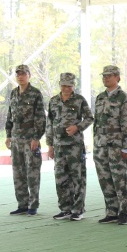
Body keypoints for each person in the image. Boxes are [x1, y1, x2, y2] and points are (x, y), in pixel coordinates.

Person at [93, 65, 127, 225]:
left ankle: (124, 211)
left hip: (117, 146)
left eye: (109, 76)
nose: (106, 78)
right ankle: (111, 211)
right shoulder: (100, 97)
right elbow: (97, 123)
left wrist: (126, 147)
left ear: (117, 77)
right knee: (105, 179)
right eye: (104, 76)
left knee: (119, 180)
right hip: (101, 145)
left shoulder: (124, 98)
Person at [47, 72, 92, 221]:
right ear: (60, 85)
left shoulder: (79, 100)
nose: (66, 89)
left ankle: (78, 210)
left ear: (74, 86)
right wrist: (50, 145)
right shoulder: (53, 101)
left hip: (75, 146)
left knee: (77, 178)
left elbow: (90, 118)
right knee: (60, 178)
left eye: (69, 86)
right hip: (58, 146)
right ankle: (65, 208)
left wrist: (77, 127)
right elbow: (49, 123)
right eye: (64, 86)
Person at [4, 64, 46, 216]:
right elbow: (10, 115)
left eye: (23, 74)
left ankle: (33, 205)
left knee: (32, 172)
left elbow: (40, 117)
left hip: (30, 138)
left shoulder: (35, 93)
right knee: (18, 172)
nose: (20, 77)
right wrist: (8, 135)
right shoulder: (14, 93)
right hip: (16, 138)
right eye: (18, 74)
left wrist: (36, 137)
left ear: (29, 75)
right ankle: (22, 204)